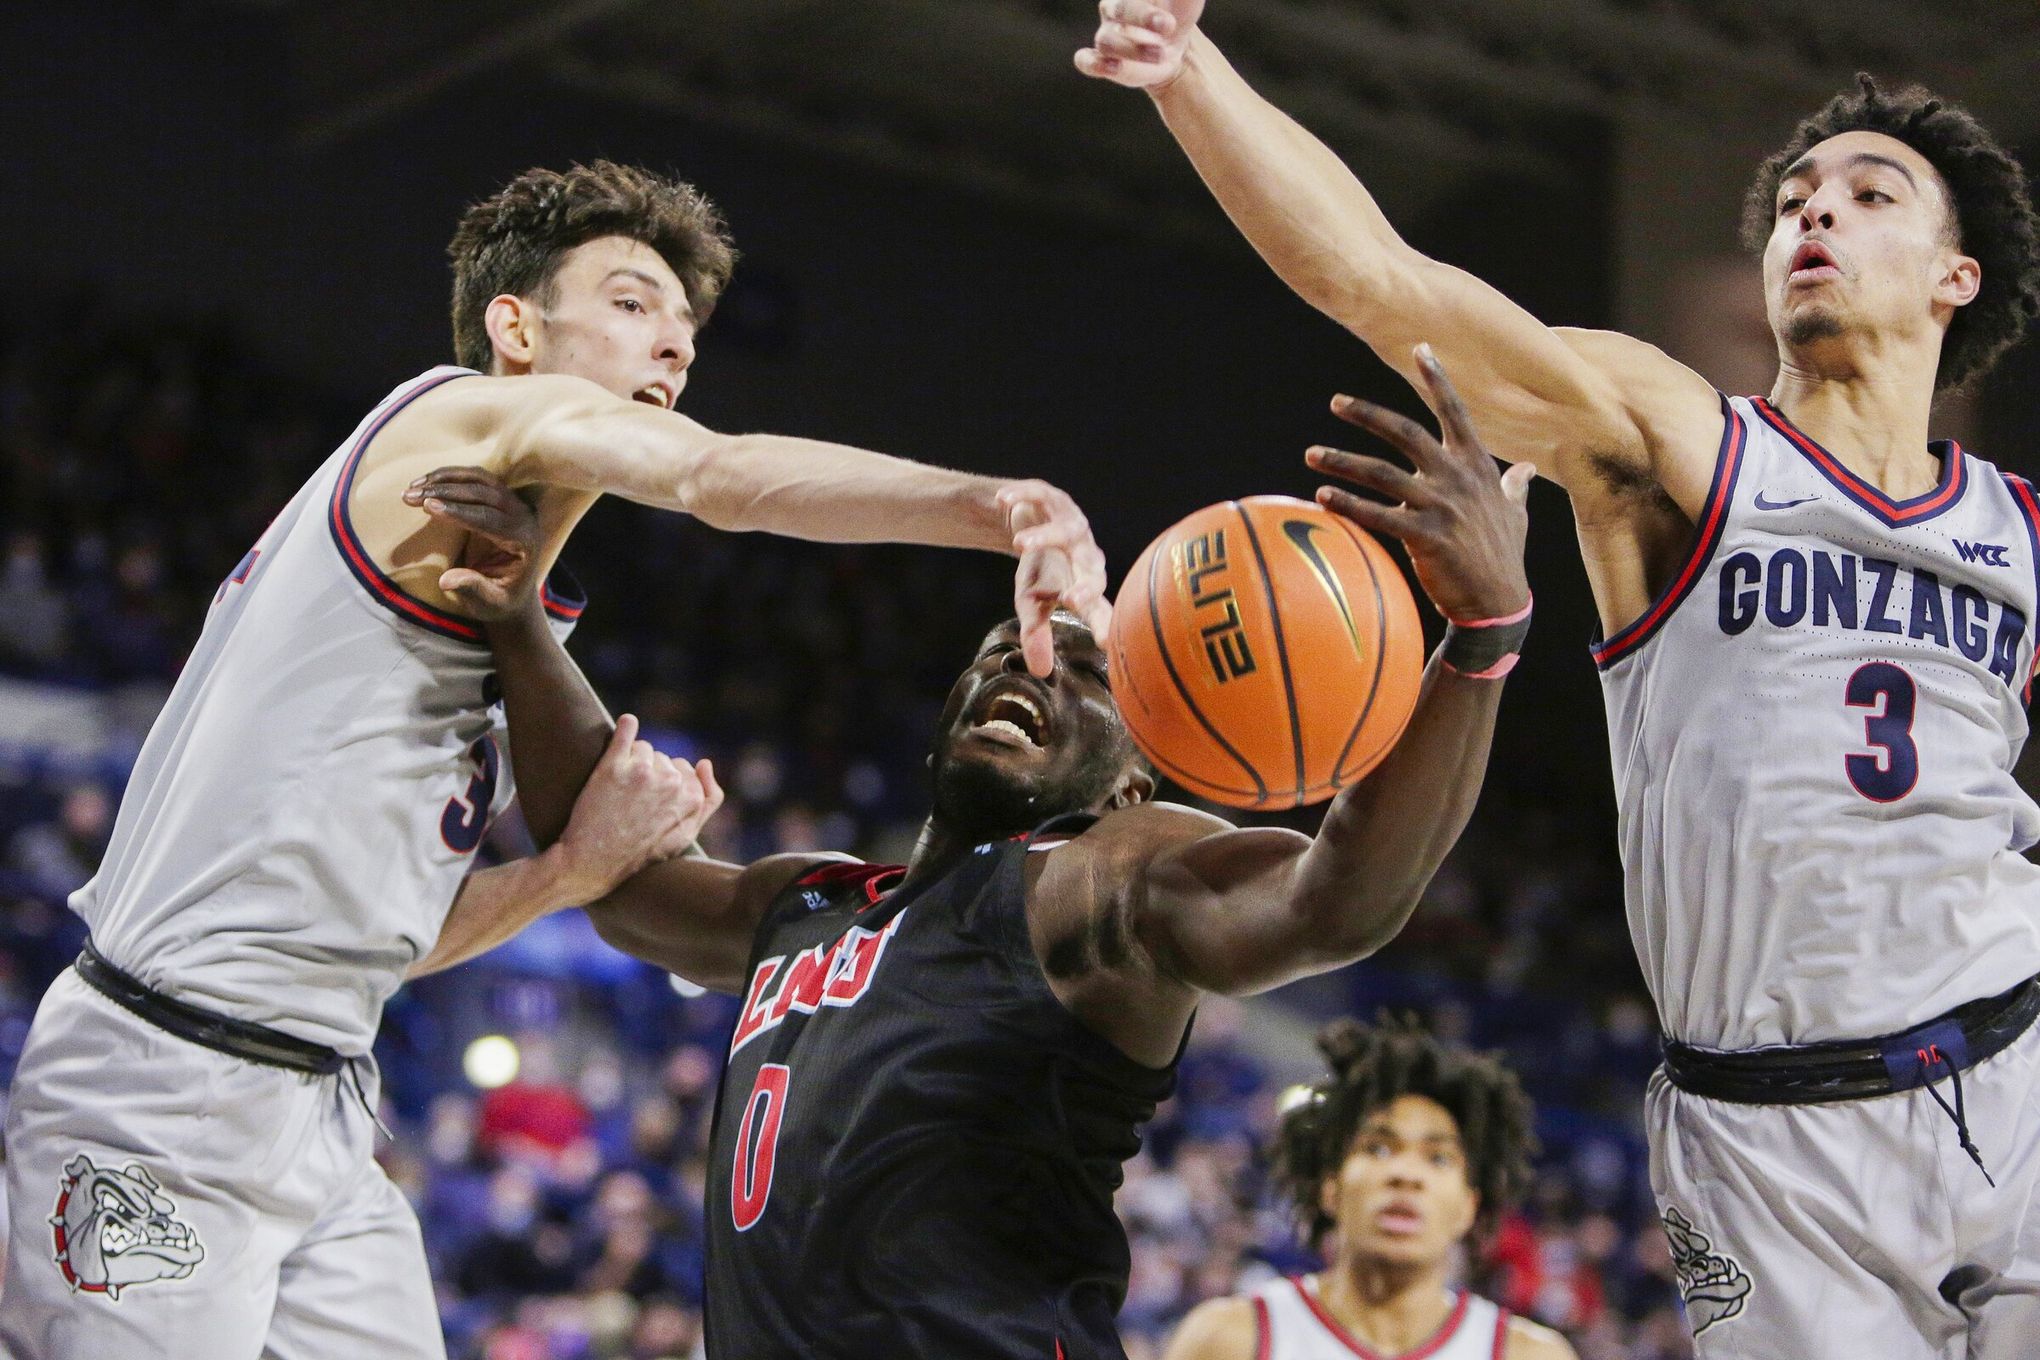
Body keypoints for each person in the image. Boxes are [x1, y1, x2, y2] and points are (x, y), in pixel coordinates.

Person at [0, 159, 1115, 1358]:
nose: (674, 350)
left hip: (318, 1101)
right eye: (634, 304)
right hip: (155, 1090)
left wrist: (569, 871)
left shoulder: (486, 594)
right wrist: (1004, 505)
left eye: (688, 331)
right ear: (515, 328)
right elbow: (718, 478)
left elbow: (389, 941)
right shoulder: (450, 413)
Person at [1076, 7, 2040, 1355]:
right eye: (1794, 203)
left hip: (2020, 1060)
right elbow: (1380, 282)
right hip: (1773, 1136)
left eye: (1869, 196)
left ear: (1956, 275)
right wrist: (1191, 73)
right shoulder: (1674, 442)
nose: (1815, 215)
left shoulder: (2020, 530)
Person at [408, 349, 1535, 1359]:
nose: (1026, 667)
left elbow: (1329, 902)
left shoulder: (1106, 877)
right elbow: (612, 874)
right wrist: (517, 623)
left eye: (1081, 677)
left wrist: (1478, 641)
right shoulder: (807, 905)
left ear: (1134, 778)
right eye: (1005, 651)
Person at [1164, 1018, 1572, 1360]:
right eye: (1378, 1147)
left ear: (1468, 1205)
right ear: (1331, 1187)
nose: (1406, 1174)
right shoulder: (1227, 1340)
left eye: (1438, 1157)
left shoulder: (1529, 1354)